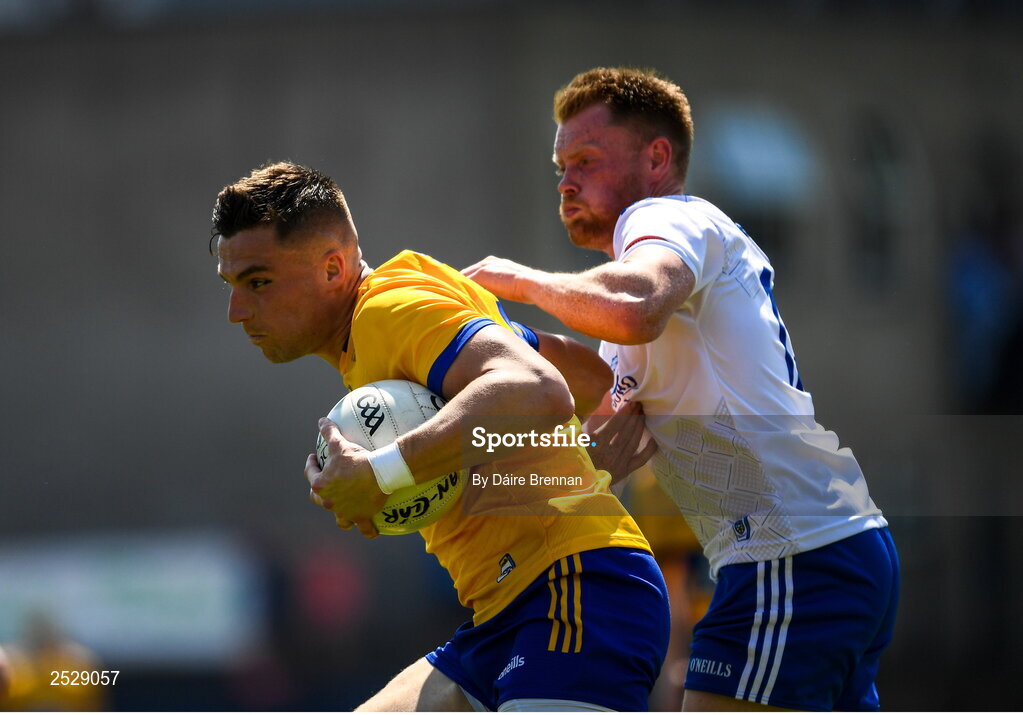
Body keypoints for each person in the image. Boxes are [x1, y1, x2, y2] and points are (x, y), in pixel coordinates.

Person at [463, 67, 900, 712]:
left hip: (789, 556)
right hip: (823, 552)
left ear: (657, 159)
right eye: (560, 166)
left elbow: (639, 301)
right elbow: (599, 455)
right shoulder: (625, 315)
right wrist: (453, 475)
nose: (566, 182)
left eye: (586, 159)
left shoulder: (667, 218)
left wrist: (517, 280)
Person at [211, 161, 669, 712]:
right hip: (504, 612)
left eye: (257, 282)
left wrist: (383, 474)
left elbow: (537, 389)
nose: (237, 311)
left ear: (334, 268)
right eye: (232, 285)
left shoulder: (386, 311)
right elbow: (592, 382)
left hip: (577, 590)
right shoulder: (398, 310)